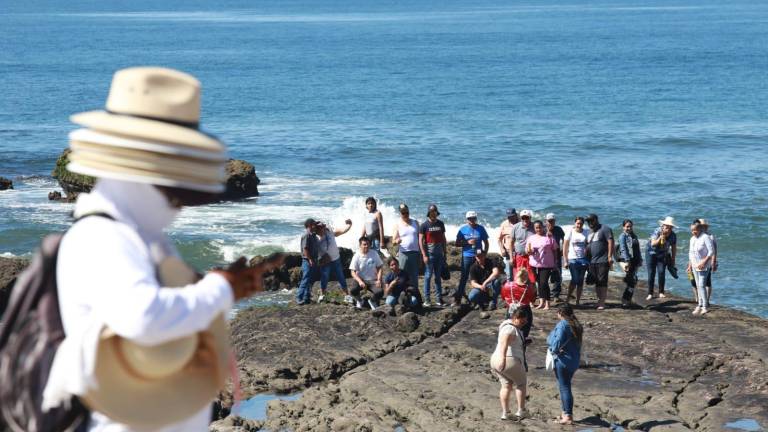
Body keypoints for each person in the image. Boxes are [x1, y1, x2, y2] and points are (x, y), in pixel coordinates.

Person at [45, 67, 283, 431]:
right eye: (177, 179)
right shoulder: (103, 238)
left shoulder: (137, 234)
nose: (182, 200)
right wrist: (220, 289)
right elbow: (142, 317)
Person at [490, 308, 529, 421]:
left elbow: (510, 342)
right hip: (508, 360)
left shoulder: (506, 326)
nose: (524, 324)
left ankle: (505, 413)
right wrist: (503, 358)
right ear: (515, 318)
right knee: (521, 384)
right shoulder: (510, 328)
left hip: (495, 360)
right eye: (522, 321)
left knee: (506, 385)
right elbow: (504, 342)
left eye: (525, 322)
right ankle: (521, 411)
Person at [547, 304, 583, 426]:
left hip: (563, 361)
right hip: (574, 360)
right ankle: (565, 413)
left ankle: (567, 416)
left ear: (560, 313)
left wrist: (553, 349)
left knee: (564, 387)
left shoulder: (562, 324)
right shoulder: (577, 325)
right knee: (566, 386)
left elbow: (555, 343)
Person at [455, 211, 489, 306]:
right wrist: (467, 243)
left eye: (473, 218)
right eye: (470, 219)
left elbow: (486, 242)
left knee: (479, 277)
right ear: (467, 219)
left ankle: (480, 299)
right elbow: (457, 243)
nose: (472, 220)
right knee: (464, 277)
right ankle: (458, 298)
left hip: (478, 257)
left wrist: (484, 253)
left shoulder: (481, 229)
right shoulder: (463, 229)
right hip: (467, 256)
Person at [316, 219, 353, 303]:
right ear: (316, 230)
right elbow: (316, 255)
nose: (322, 229)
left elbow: (342, 231)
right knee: (324, 278)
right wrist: (321, 261)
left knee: (341, 277)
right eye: (319, 228)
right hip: (326, 263)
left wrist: (349, 225)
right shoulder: (316, 240)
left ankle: (347, 295)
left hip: (336, 259)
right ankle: (322, 295)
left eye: (322, 227)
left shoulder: (329, 233)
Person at [526, 220, 559, 310]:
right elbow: (527, 251)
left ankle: (547, 303)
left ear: (543, 227)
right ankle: (541, 302)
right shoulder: (531, 238)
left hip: (546, 264)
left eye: (540, 227)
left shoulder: (549, 237)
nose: (538, 229)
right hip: (534, 263)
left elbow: (555, 249)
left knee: (544, 283)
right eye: (536, 228)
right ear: (534, 228)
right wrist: (530, 251)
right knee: (539, 283)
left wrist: (555, 262)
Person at [419, 204, 447, 307]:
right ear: (429, 213)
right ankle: (427, 300)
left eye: (435, 211)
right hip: (429, 255)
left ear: (436, 212)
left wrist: (445, 252)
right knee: (427, 276)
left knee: (438, 277)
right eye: (431, 212)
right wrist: (424, 255)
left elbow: (443, 239)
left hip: (439, 254)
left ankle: (439, 299)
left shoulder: (440, 224)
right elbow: (420, 241)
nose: (433, 213)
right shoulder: (424, 225)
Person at [585, 213, 614, 310]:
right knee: (597, 282)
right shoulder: (589, 232)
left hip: (603, 260)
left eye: (591, 220)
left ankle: (602, 302)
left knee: (602, 281)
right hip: (592, 261)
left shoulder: (605, 229)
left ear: (596, 220)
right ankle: (599, 301)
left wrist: (609, 256)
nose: (590, 223)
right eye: (588, 221)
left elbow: (610, 242)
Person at [392, 203, 421, 297]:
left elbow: (420, 238)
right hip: (403, 253)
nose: (405, 214)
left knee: (414, 276)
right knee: (403, 276)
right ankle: (404, 295)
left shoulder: (415, 222)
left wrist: (422, 252)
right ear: (400, 213)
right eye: (403, 213)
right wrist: (397, 241)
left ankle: (416, 296)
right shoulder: (397, 224)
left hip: (415, 253)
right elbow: (393, 241)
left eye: (407, 212)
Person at [646, 216, 678, 300]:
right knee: (651, 273)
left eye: (670, 227)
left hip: (663, 255)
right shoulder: (657, 231)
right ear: (663, 226)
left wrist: (673, 259)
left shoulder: (673, 235)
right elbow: (653, 244)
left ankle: (661, 292)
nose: (668, 229)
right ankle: (650, 293)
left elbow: (674, 247)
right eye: (666, 227)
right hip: (651, 253)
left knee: (661, 272)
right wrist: (661, 237)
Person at [349, 236, 384, 310]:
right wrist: (360, 281)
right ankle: (360, 301)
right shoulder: (356, 256)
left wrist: (379, 279)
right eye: (364, 244)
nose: (366, 246)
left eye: (368, 244)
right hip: (361, 279)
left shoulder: (374, 253)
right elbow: (352, 272)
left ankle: (372, 301)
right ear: (360, 245)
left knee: (380, 292)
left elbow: (380, 267)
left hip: (373, 279)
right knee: (353, 290)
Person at [688, 222, 715, 315]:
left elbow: (711, 251)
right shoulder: (692, 239)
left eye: (694, 230)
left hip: (704, 265)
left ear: (699, 229)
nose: (693, 232)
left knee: (701, 285)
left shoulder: (705, 237)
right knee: (697, 284)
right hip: (695, 265)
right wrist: (690, 265)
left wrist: (704, 262)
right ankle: (699, 305)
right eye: (691, 230)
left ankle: (704, 306)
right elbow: (690, 253)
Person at [562, 216, 590, 305]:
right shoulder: (570, 231)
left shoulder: (586, 232)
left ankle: (578, 300)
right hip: (572, 258)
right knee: (575, 279)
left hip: (583, 259)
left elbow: (588, 245)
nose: (579, 225)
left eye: (581, 224)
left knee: (580, 280)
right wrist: (565, 260)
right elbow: (565, 247)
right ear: (575, 223)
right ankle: (568, 298)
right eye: (578, 223)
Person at [501, 267, 535, 338]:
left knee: (509, 332)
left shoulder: (507, 285)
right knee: (523, 336)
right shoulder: (528, 288)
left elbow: (503, 297)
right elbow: (532, 299)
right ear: (525, 277)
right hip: (524, 311)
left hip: (511, 311)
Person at [616, 219, 642, 307]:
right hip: (627, 260)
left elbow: (637, 249)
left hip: (635, 260)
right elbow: (623, 249)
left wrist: (640, 259)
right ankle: (625, 300)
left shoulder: (634, 236)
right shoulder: (622, 236)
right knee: (632, 280)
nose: (629, 228)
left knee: (633, 280)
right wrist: (627, 261)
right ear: (623, 227)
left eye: (630, 226)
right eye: (627, 226)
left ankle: (628, 300)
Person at [296, 218, 321, 305]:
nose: (316, 226)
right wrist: (310, 259)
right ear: (310, 225)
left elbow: (320, 227)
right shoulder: (306, 235)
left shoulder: (313, 235)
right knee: (305, 279)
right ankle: (299, 297)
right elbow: (305, 249)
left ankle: (307, 297)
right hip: (307, 260)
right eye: (314, 224)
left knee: (310, 279)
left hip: (313, 260)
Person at [509, 209, 535, 284]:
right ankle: (519, 294)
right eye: (523, 218)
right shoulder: (516, 227)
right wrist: (511, 257)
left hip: (531, 256)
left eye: (527, 217)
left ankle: (532, 294)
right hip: (519, 256)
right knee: (519, 276)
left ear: (530, 218)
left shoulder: (534, 226)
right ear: (520, 218)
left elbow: (542, 235)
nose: (525, 219)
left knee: (531, 277)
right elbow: (511, 243)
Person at [545, 213, 565, 300]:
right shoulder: (542, 230)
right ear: (546, 221)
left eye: (552, 221)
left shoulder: (558, 229)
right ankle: (546, 294)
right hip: (545, 256)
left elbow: (565, 239)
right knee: (545, 275)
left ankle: (556, 295)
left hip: (556, 255)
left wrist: (563, 249)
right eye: (549, 221)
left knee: (557, 274)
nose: (551, 223)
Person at [498, 208, 519, 280]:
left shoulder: (521, 223)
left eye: (512, 216)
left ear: (516, 215)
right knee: (509, 274)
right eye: (509, 217)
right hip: (508, 252)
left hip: (519, 252)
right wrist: (501, 249)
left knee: (519, 273)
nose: (510, 218)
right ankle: (510, 290)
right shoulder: (504, 224)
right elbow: (499, 239)